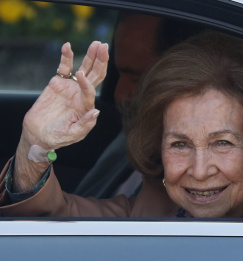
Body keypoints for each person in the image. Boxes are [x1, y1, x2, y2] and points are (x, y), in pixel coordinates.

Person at [0, 30, 243, 218]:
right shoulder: (150, 210)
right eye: (179, 144)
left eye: (222, 142)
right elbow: (51, 220)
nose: (199, 171)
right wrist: (33, 148)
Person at [74, 12, 203, 198]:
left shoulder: (186, 176)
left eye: (137, 78)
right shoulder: (138, 140)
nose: (119, 95)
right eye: (119, 74)